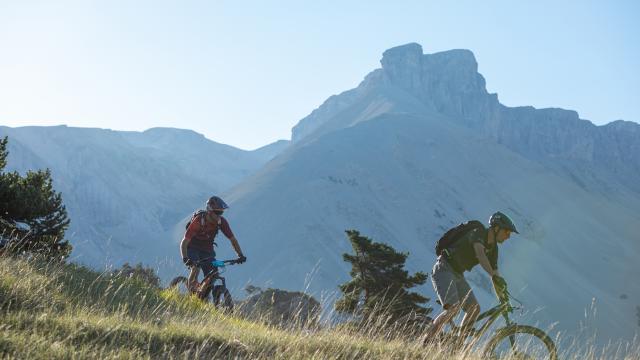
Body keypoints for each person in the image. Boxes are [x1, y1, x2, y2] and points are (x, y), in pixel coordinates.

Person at [427, 211, 518, 340]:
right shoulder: (479, 232)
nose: (508, 236)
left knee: (474, 308)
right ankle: (426, 341)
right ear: (496, 228)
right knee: (453, 309)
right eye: (507, 232)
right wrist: (494, 275)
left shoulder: (493, 248)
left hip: (458, 274)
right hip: (444, 268)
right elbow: (480, 254)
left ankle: (458, 345)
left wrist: (503, 297)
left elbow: (496, 275)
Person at [179, 196, 246, 294]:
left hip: (207, 250)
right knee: (196, 268)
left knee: (213, 273)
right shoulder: (198, 221)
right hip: (192, 248)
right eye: (217, 212)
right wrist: (185, 258)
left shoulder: (221, 222)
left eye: (221, 212)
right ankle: (191, 296)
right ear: (210, 211)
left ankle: (203, 296)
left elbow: (233, 240)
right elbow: (184, 241)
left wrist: (240, 255)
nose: (220, 215)